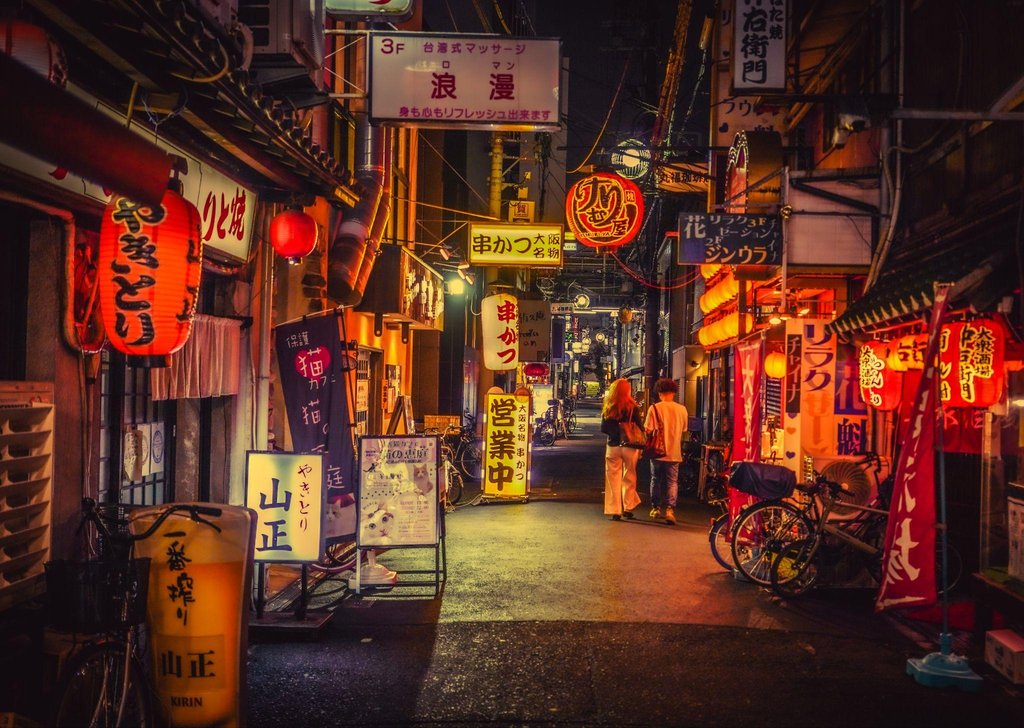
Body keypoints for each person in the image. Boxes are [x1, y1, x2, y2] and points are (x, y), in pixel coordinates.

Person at [644, 378, 689, 525]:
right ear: (674, 392)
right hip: (675, 452)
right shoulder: (682, 409)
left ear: (659, 392)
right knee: (672, 482)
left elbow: (648, 430)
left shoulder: (654, 408)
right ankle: (670, 510)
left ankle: (656, 508)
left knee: (655, 479)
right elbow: (684, 430)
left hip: (657, 452)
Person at [599, 378, 644, 521]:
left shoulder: (609, 406)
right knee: (629, 476)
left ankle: (615, 510)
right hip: (630, 446)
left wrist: (614, 433)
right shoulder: (633, 407)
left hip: (613, 446)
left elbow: (603, 428)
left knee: (613, 478)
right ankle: (628, 507)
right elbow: (640, 427)